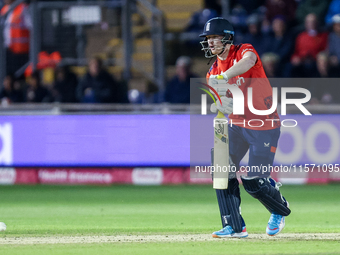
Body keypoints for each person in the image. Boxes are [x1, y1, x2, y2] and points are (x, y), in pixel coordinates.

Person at [199, 17, 291, 238]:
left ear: (228, 37)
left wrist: (225, 77)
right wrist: (218, 104)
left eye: (215, 38)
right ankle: (233, 225)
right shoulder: (212, 71)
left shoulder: (244, 51)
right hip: (238, 125)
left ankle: (279, 208)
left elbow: (248, 62)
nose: (210, 43)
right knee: (220, 164)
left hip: (264, 124)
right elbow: (219, 102)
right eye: (208, 39)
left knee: (255, 182)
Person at [1, 0, 32, 75]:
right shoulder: (4, 9)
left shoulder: (23, 8)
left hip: (21, 52)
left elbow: (32, 27)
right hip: (7, 51)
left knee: (18, 75)